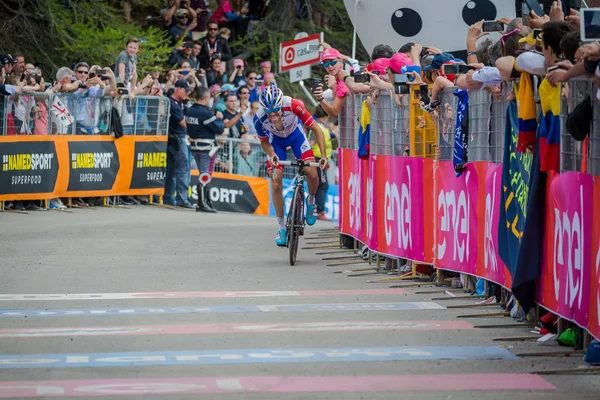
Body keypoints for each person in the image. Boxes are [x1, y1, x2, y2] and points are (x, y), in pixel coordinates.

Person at [254, 84, 329, 247]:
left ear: (281, 105)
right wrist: (272, 155)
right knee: (276, 183)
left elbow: (316, 129)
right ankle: (281, 228)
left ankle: (310, 201)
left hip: (296, 137)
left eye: (276, 111)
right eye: (269, 112)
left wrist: (323, 156)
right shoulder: (259, 118)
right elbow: (264, 143)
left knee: (312, 173)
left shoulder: (294, 105)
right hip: (276, 143)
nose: (273, 115)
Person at [186, 87, 225, 212]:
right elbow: (219, 129)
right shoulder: (206, 113)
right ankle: (202, 203)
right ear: (206, 98)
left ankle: (206, 201)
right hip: (206, 147)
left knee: (204, 173)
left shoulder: (190, 110)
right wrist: (219, 118)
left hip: (194, 146)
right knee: (205, 174)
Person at [165, 79, 195, 208]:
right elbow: (184, 123)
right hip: (177, 138)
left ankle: (169, 197)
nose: (187, 93)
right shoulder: (172, 103)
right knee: (183, 168)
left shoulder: (181, 103)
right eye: (185, 90)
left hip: (175, 138)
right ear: (178, 89)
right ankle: (182, 199)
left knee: (172, 170)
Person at [309, 105, 335, 221]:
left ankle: (315, 209)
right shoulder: (317, 127)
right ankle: (319, 211)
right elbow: (311, 143)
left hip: (321, 160)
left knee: (320, 185)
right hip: (318, 160)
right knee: (322, 186)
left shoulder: (322, 126)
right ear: (327, 114)